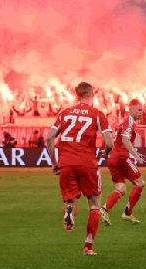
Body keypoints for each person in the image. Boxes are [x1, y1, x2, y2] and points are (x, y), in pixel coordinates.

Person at [46, 81, 114, 256]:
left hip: (67, 164)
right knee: (94, 205)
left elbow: (50, 138)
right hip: (87, 163)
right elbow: (109, 142)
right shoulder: (98, 114)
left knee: (71, 201)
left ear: (77, 96)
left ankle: (69, 214)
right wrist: (106, 154)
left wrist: (54, 162)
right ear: (92, 95)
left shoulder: (64, 114)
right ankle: (88, 247)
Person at [101, 99, 146, 226]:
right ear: (131, 110)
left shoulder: (124, 122)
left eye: (142, 110)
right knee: (140, 183)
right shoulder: (129, 122)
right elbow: (125, 140)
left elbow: (116, 140)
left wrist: (106, 152)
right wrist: (136, 155)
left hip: (113, 158)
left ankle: (104, 209)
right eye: (139, 110)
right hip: (122, 157)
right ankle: (128, 213)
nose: (141, 112)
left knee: (120, 188)